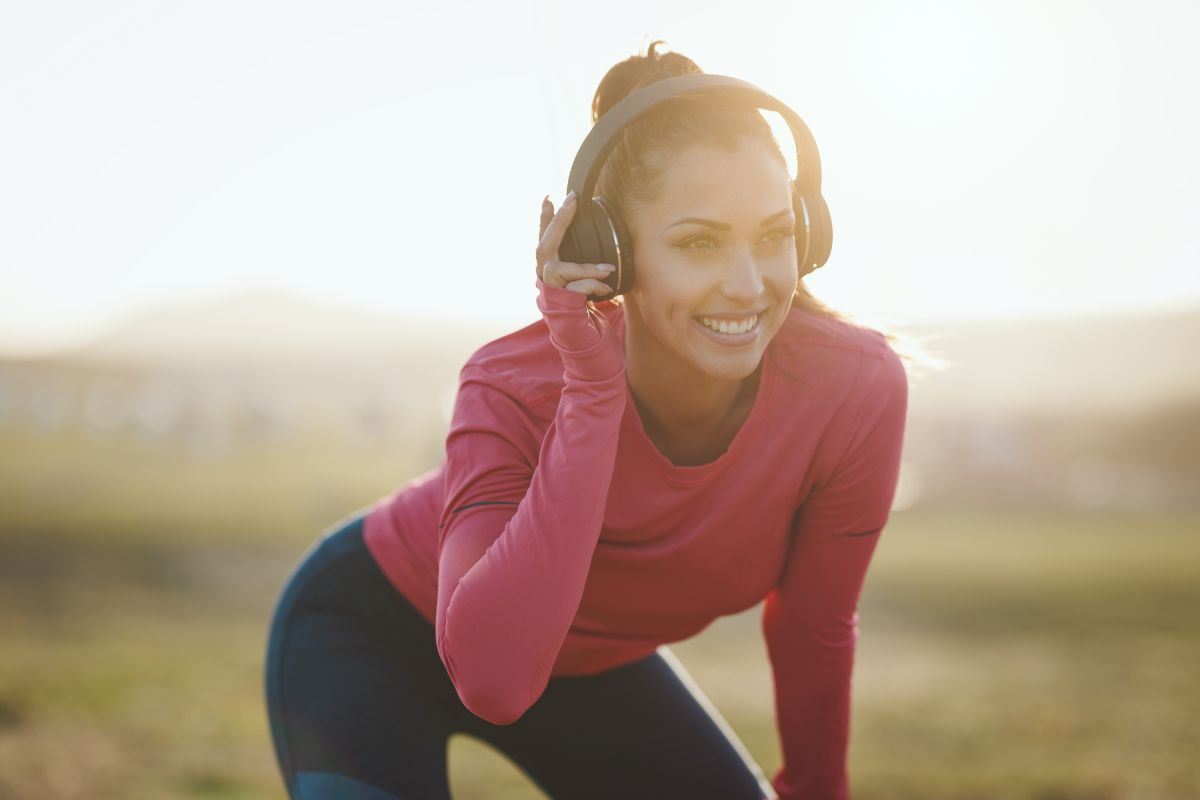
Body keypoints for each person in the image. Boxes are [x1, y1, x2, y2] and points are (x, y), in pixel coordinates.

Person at [265, 40, 911, 800]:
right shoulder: (510, 385)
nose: (748, 285)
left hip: (588, 668)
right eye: (699, 242)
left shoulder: (853, 387)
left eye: (775, 236)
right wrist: (593, 394)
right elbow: (495, 678)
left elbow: (814, 629)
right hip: (376, 629)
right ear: (611, 253)